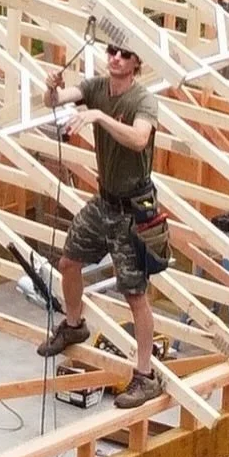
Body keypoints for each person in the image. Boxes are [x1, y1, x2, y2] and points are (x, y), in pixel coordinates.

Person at [38, 41, 164, 409]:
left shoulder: (142, 102)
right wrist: (52, 87)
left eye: (125, 54)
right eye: (112, 51)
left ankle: (145, 375)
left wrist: (99, 118)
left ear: (137, 62)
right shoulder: (95, 87)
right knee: (68, 262)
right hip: (104, 201)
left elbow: (140, 139)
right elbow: (55, 101)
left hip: (132, 210)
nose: (116, 58)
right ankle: (74, 323)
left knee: (135, 294)